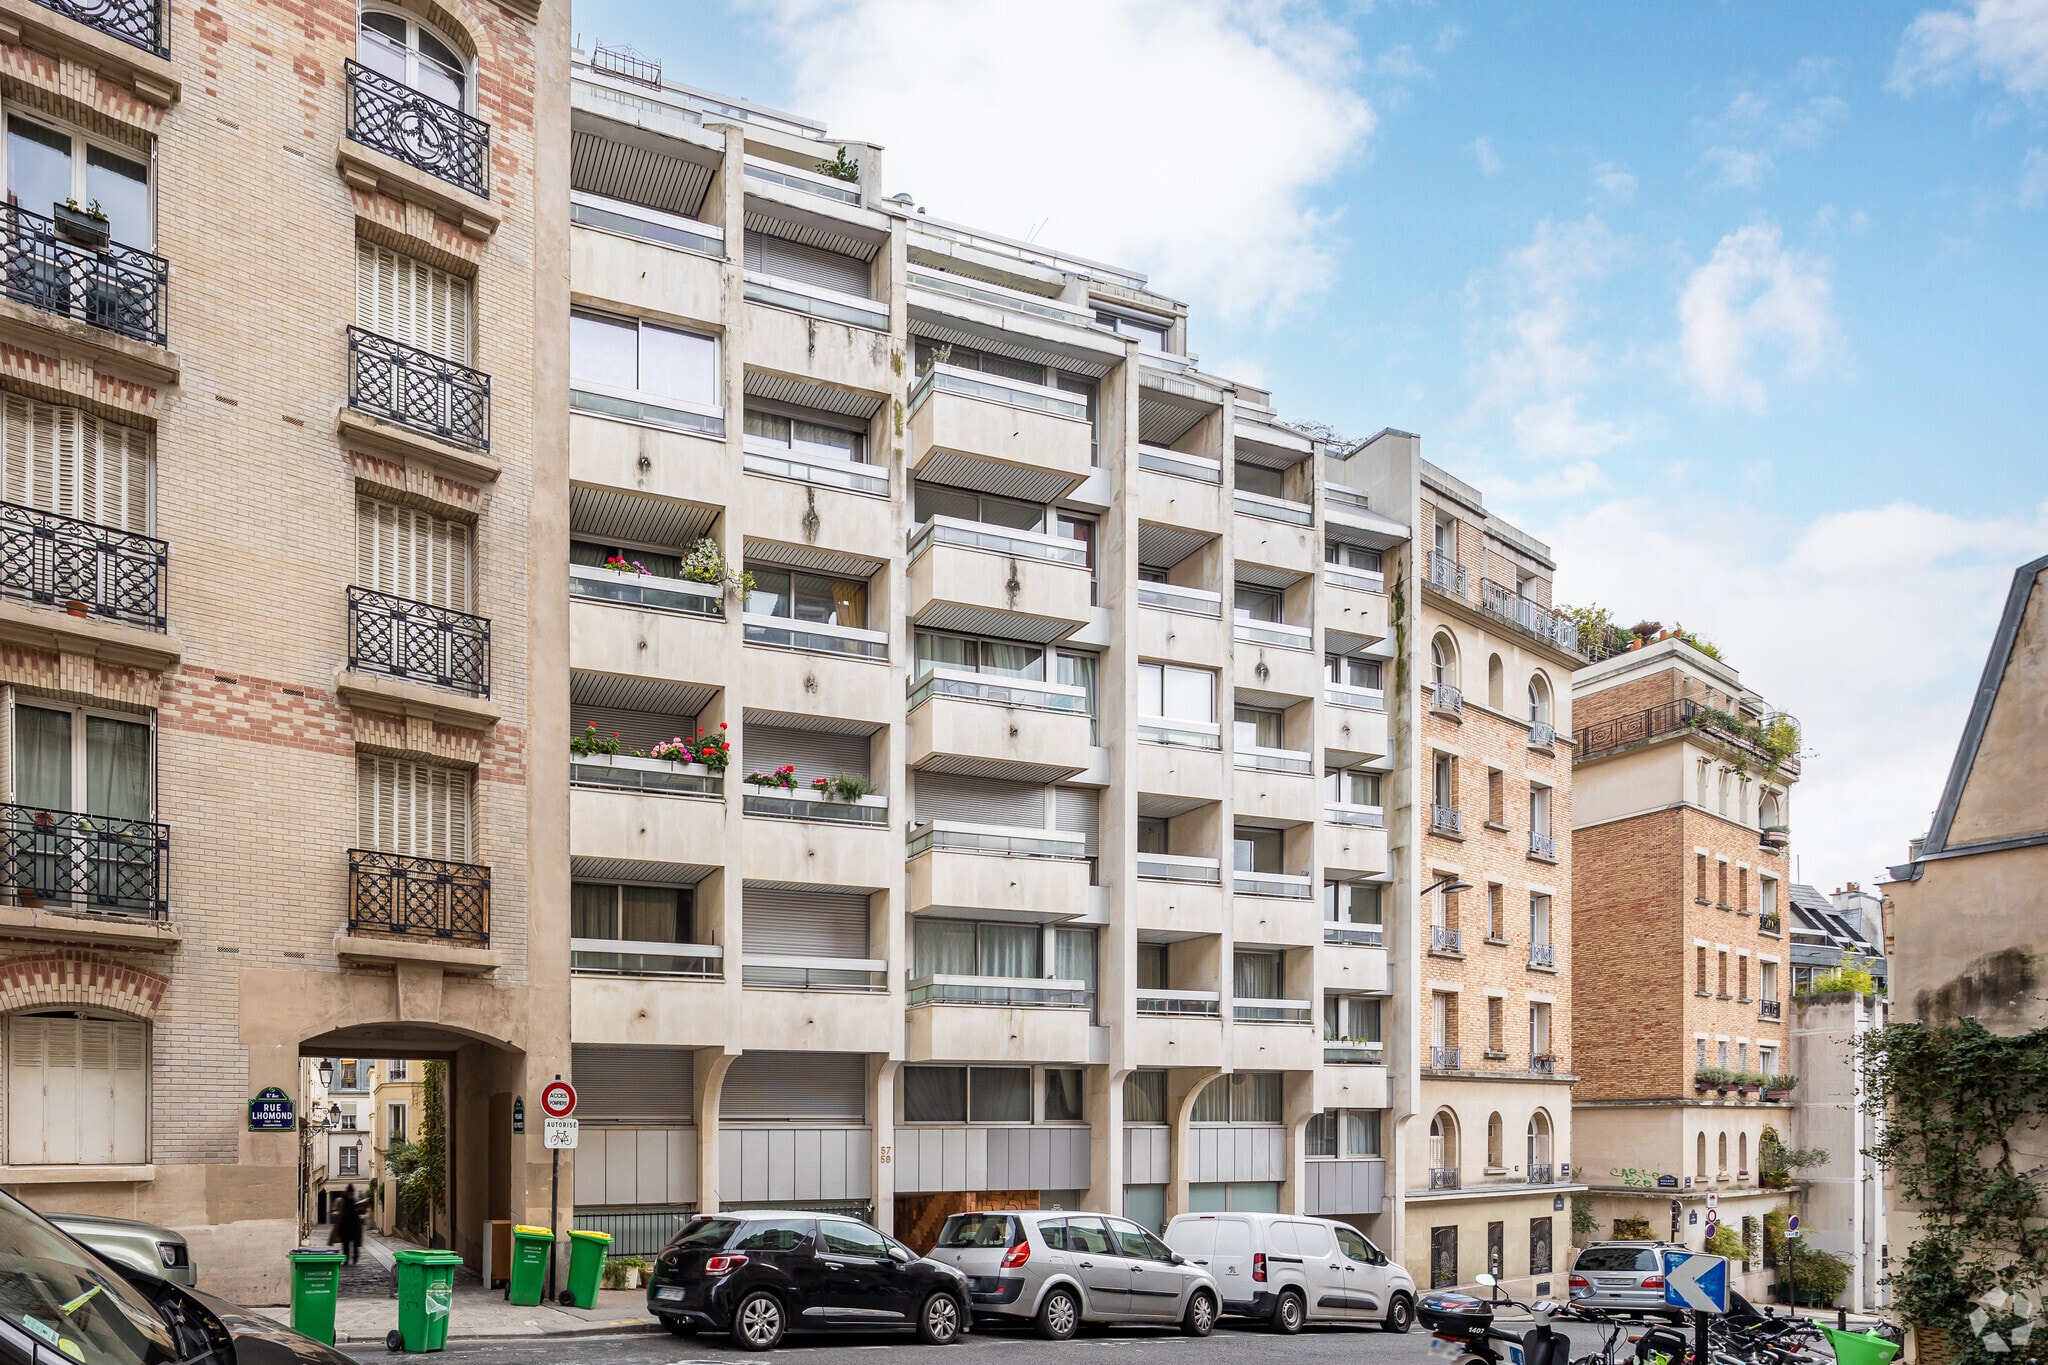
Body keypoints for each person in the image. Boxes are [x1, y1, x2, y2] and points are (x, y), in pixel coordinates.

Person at [334, 1183, 364, 1265]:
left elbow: (359, 1213)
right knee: (345, 1244)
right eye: (350, 1193)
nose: (351, 1194)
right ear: (347, 1192)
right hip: (344, 1226)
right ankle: (346, 1259)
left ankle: (355, 1259)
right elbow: (336, 1211)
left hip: (354, 1227)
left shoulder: (354, 1201)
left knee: (355, 1244)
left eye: (352, 1193)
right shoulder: (342, 1201)